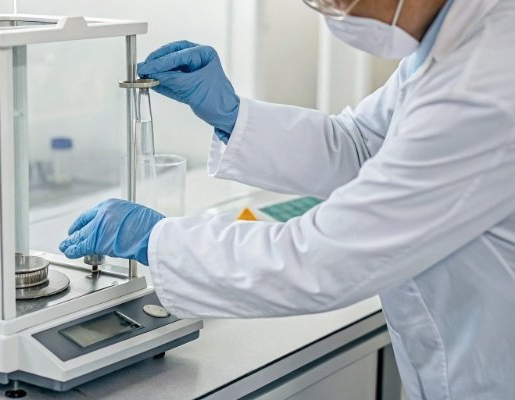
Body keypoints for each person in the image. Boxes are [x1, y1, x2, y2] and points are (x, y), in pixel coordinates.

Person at [59, 0, 515, 398]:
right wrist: (233, 115)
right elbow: (361, 145)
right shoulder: (450, 42)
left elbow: (321, 261)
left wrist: (158, 241)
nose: (330, 8)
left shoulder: (488, 79)